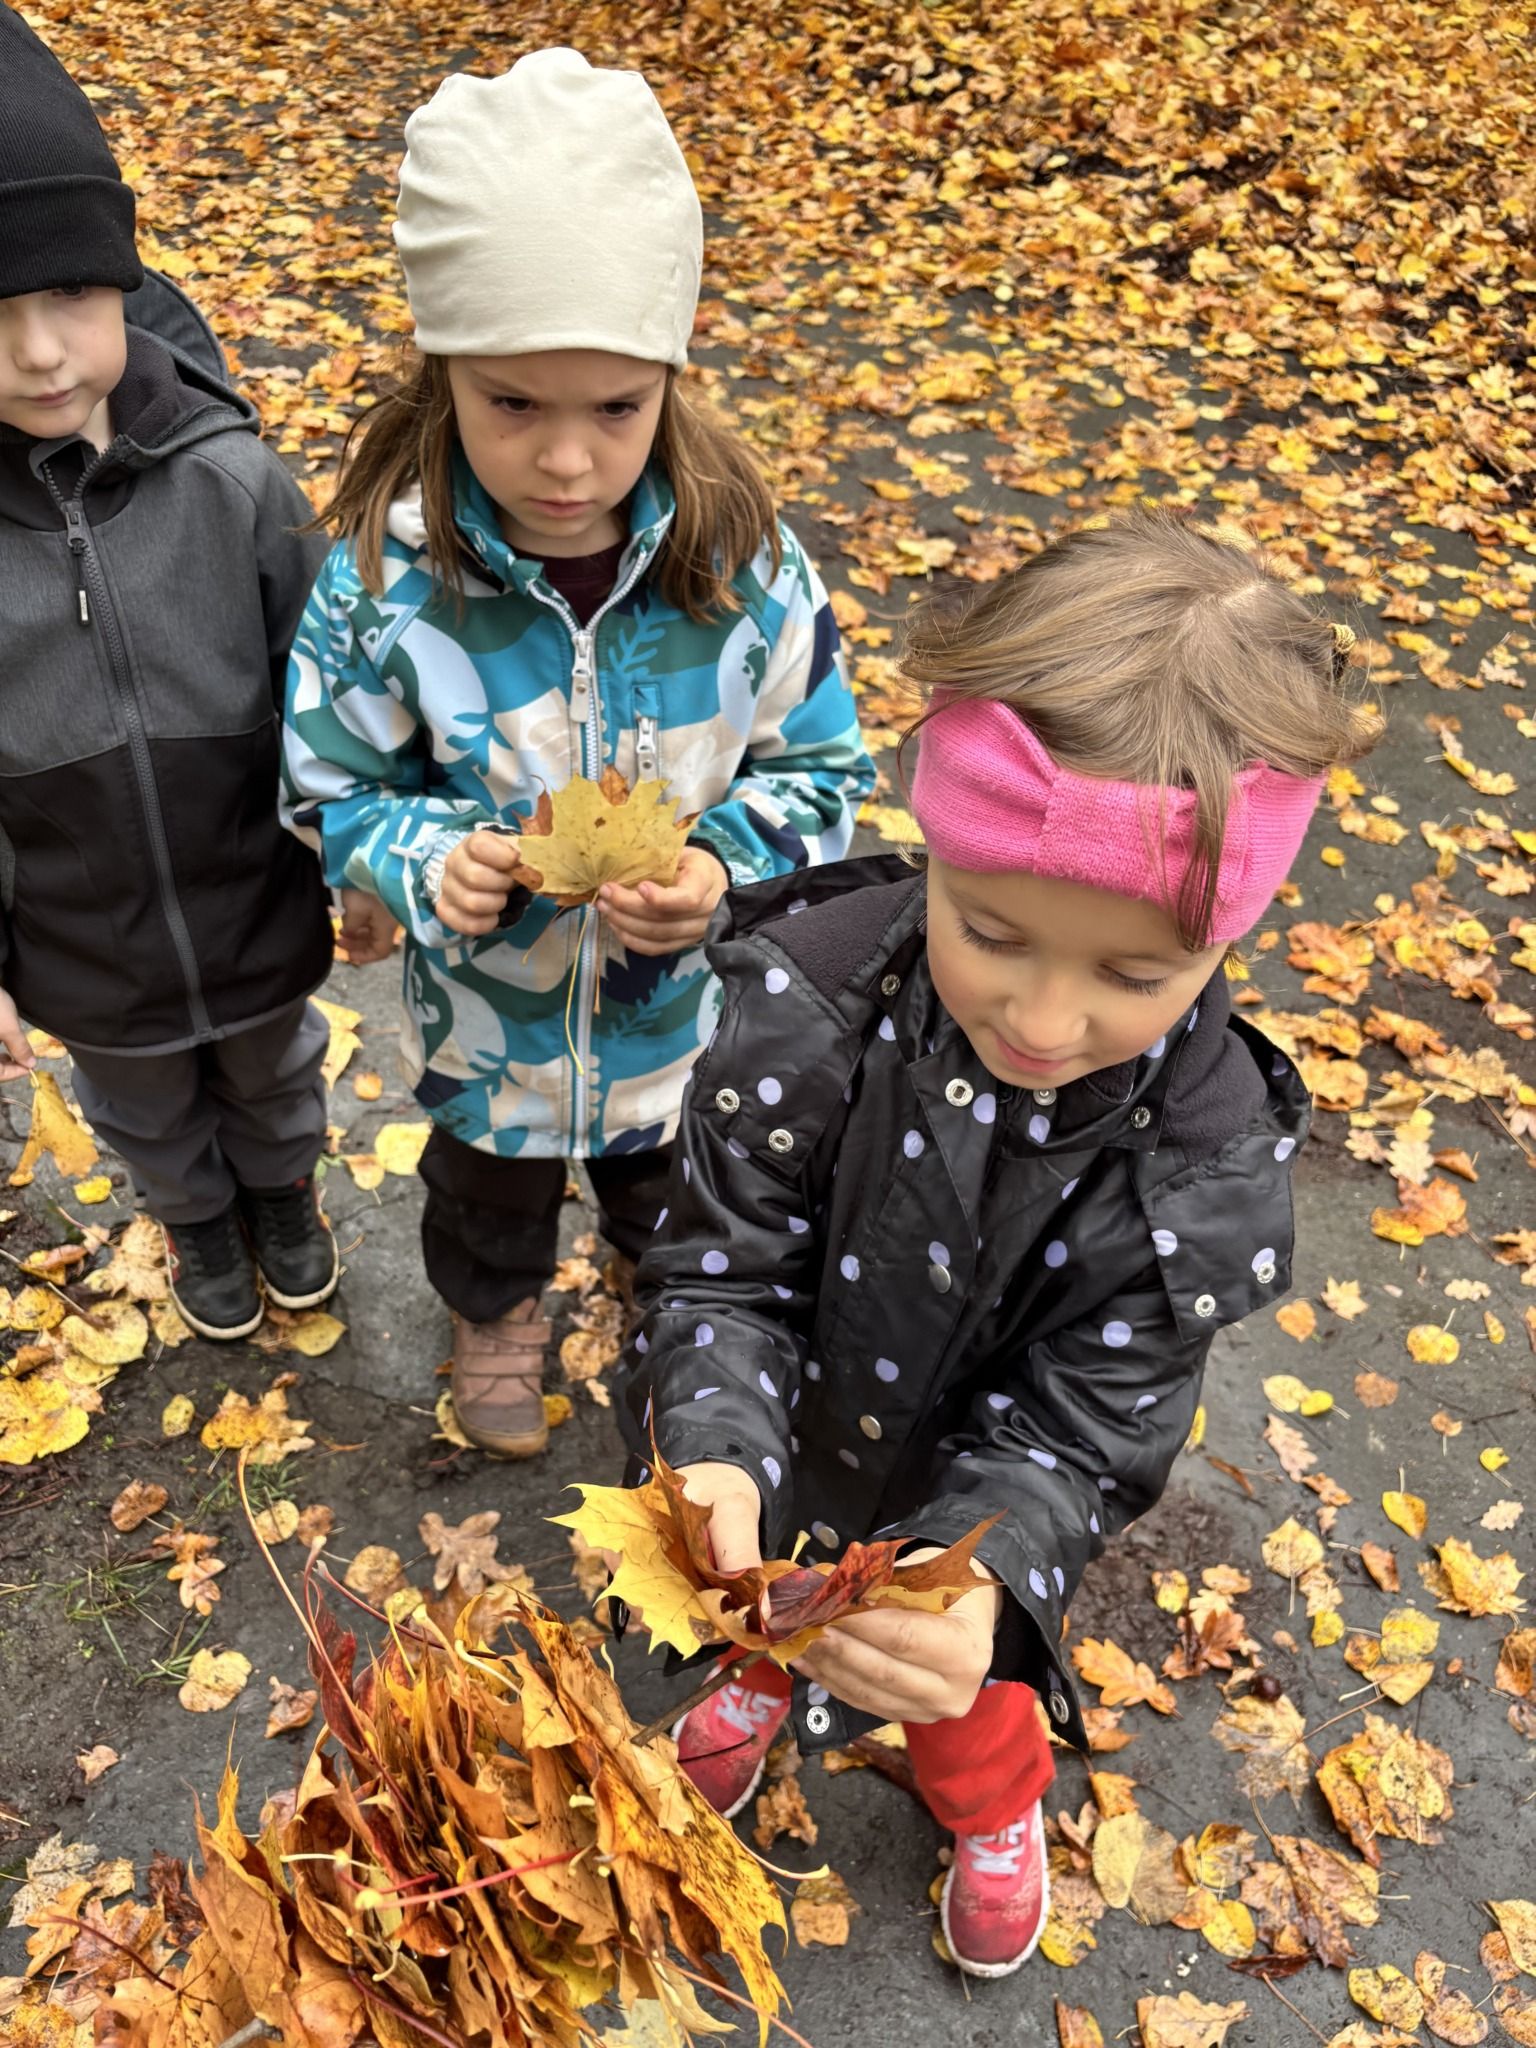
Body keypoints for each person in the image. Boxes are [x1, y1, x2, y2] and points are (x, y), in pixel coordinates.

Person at [613, 509, 1380, 1978]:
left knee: (964, 1700)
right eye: (994, 932)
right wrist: (709, 1449)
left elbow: (1090, 1427)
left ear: (1224, 941)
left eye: (1134, 973)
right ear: (938, 853)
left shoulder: (1198, 1159)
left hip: (971, 1529)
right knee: (761, 1599)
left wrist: (987, 1575)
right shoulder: (808, 1009)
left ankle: (990, 1809)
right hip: (785, 1444)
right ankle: (758, 1684)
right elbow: (721, 1270)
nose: (1042, 1018)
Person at [281, 49, 873, 1459]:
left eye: (615, 409)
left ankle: (669, 1303)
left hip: (687, 1031)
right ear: (444, 376)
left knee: (676, 1200)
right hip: (487, 1034)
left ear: (669, 376)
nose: (565, 462)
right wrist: (428, 860)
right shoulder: (384, 584)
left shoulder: (746, 569)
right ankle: (496, 1314)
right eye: (513, 405)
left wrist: (724, 870)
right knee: (485, 1199)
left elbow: (824, 774)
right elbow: (331, 788)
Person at [0, 9, 339, 1340]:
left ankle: (284, 1197)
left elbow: (332, 688)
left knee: (276, 1075)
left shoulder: (233, 480)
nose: (39, 351)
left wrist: (357, 857)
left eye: (71, 299)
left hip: (255, 903)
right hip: (81, 944)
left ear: (124, 285)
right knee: (142, 1106)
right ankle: (196, 1222)